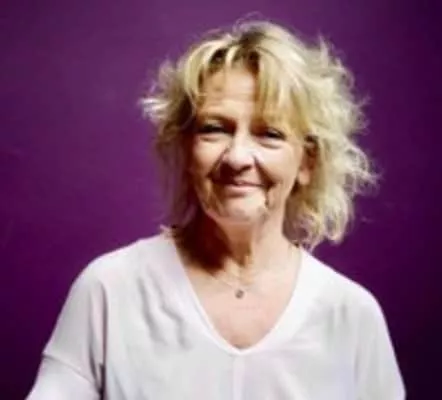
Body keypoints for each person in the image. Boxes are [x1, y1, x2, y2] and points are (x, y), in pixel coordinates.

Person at [26, 19, 405, 399]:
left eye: (270, 134)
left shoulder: (352, 316)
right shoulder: (110, 289)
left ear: (307, 162)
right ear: (185, 147)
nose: (237, 157)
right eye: (214, 128)